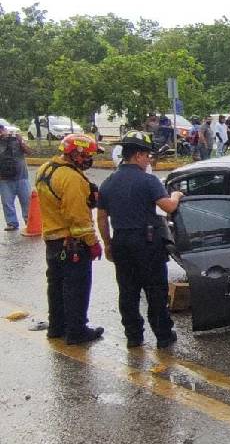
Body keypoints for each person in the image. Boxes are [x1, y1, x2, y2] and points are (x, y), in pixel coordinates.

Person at [97, 130, 184, 349]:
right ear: (137, 155)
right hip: (147, 243)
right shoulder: (148, 181)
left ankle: (134, 337)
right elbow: (168, 207)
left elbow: (101, 218)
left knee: (128, 292)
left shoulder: (108, 183)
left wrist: (108, 244)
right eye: (148, 156)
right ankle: (163, 336)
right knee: (155, 291)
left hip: (122, 242)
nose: (149, 160)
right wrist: (176, 195)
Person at [35, 134, 104, 344]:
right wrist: (92, 243)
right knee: (76, 288)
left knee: (56, 286)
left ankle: (56, 327)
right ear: (76, 153)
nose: (90, 159)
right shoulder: (71, 178)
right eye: (88, 155)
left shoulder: (45, 169)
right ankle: (77, 331)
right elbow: (79, 218)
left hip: (52, 239)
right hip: (72, 242)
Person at [0, 123, 32, 231]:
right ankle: (12, 223)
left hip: (22, 176)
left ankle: (30, 221)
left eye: (1, 130)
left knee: (27, 200)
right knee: (7, 202)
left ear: (5, 130)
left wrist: (20, 140)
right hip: (4, 179)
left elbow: (29, 151)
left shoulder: (17, 139)